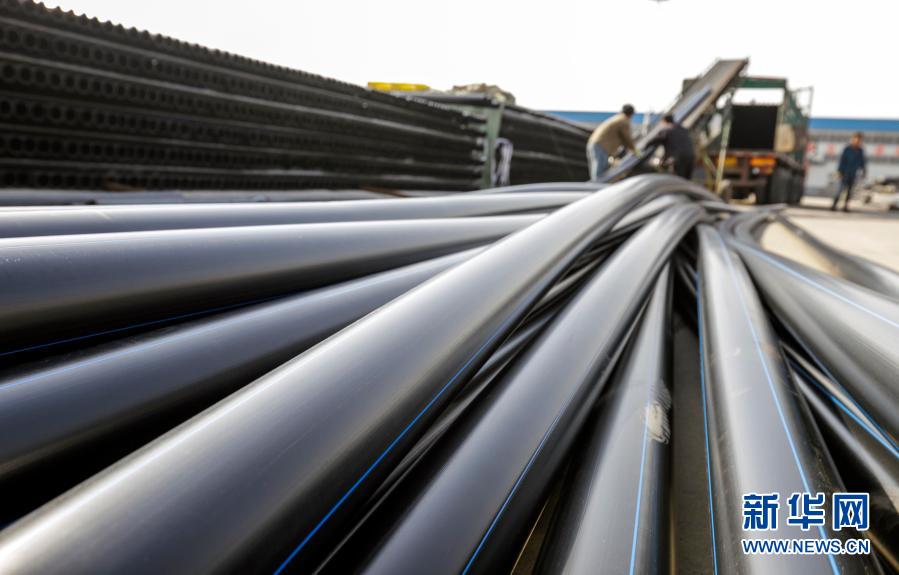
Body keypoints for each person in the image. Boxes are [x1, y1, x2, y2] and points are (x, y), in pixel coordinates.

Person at [587, 104, 638, 180]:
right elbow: (627, 138)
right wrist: (635, 151)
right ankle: (597, 185)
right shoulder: (624, 120)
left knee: (598, 170)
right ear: (631, 114)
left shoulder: (618, 118)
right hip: (601, 146)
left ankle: (596, 183)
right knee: (600, 172)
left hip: (595, 144)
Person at [646, 114, 695, 179]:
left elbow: (655, 140)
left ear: (664, 121)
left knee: (678, 179)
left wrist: (645, 146)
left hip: (678, 158)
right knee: (686, 180)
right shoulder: (683, 129)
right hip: (690, 156)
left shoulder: (667, 131)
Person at [832, 132, 866, 212]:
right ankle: (834, 205)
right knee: (840, 190)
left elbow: (862, 162)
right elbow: (842, 160)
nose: (858, 141)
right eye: (857, 139)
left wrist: (864, 171)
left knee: (849, 191)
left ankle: (845, 206)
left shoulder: (860, 151)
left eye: (859, 140)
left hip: (853, 174)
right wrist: (839, 171)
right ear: (853, 139)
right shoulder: (847, 149)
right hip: (844, 173)